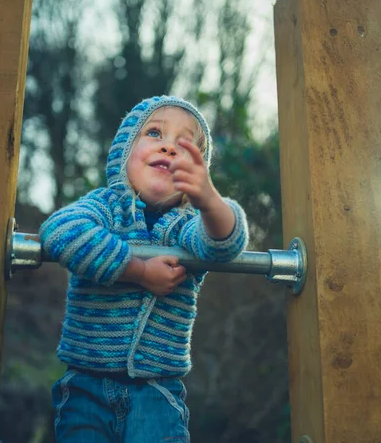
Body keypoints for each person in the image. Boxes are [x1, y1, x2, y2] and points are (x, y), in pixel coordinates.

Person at [40, 95, 249, 442]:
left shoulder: (186, 226)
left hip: (158, 393)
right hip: (85, 386)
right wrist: (137, 271)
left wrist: (210, 201)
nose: (169, 148)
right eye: (155, 133)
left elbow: (224, 244)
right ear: (124, 151)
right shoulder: (105, 208)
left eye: (184, 144)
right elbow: (59, 232)